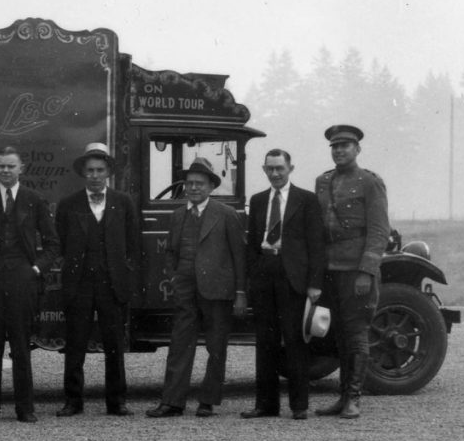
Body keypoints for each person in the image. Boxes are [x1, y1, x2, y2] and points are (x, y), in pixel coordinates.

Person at [0, 145, 57, 424]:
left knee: (20, 347)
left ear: (21, 169)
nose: (5, 171)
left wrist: (36, 269)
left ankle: (25, 408)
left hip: (22, 283)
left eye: (10, 166)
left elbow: (53, 244)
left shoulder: (34, 199)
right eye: (1, 166)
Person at [147, 159, 248, 418]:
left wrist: (239, 293)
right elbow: (171, 251)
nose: (193, 188)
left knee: (216, 347)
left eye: (199, 184)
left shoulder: (226, 214)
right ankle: (172, 402)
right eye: (190, 183)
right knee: (180, 344)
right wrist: (175, 277)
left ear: (211, 186)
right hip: (186, 291)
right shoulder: (179, 214)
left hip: (218, 291)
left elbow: (239, 257)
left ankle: (208, 401)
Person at [53, 142, 144, 417]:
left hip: (111, 283)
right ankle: (73, 401)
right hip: (79, 284)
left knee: (114, 344)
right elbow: (61, 241)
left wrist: (123, 273)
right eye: (90, 170)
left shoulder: (123, 202)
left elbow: (133, 244)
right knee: (75, 343)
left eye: (100, 170)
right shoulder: (68, 205)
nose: (94, 175)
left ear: (108, 173)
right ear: (83, 172)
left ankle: (116, 401)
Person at [245, 148, 328, 420]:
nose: (275, 173)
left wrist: (315, 284)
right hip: (264, 273)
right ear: (264, 169)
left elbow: (317, 245)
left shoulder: (306, 200)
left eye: (280, 168)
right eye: (270, 168)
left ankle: (299, 405)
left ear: (290, 168)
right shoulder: (257, 201)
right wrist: (251, 279)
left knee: (294, 341)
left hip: (293, 276)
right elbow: (253, 245)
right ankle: (266, 405)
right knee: (265, 341)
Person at [314, 125, 388, 420]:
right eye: (335, 146)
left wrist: (366, 272)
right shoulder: (323, 181)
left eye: (345, 145)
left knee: (356, 333)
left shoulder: (370, 182)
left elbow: (379, 230)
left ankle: (354, 399)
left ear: (357, 149)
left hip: (355, 269)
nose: (339, 150)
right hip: (330, 268)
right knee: (339, 336)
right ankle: (342, 397)